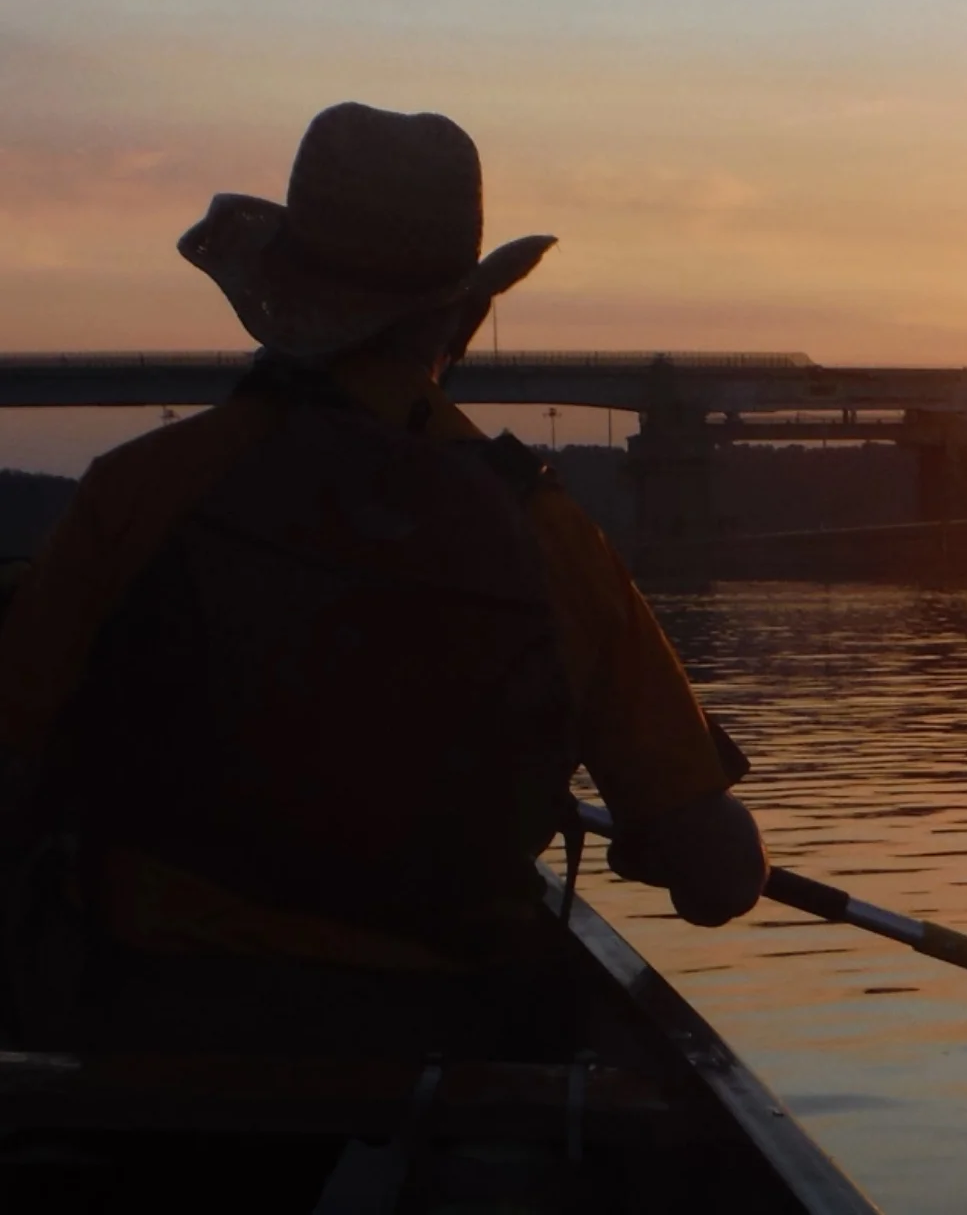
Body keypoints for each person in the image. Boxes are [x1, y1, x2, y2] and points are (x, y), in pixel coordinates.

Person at [0, 101, 768, 1061]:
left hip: (153, 1024)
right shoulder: (550, 536)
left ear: (279, 291)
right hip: (446, 1048)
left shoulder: (140, 488)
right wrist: (663, 832)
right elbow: (719, 878)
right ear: (465, 313)